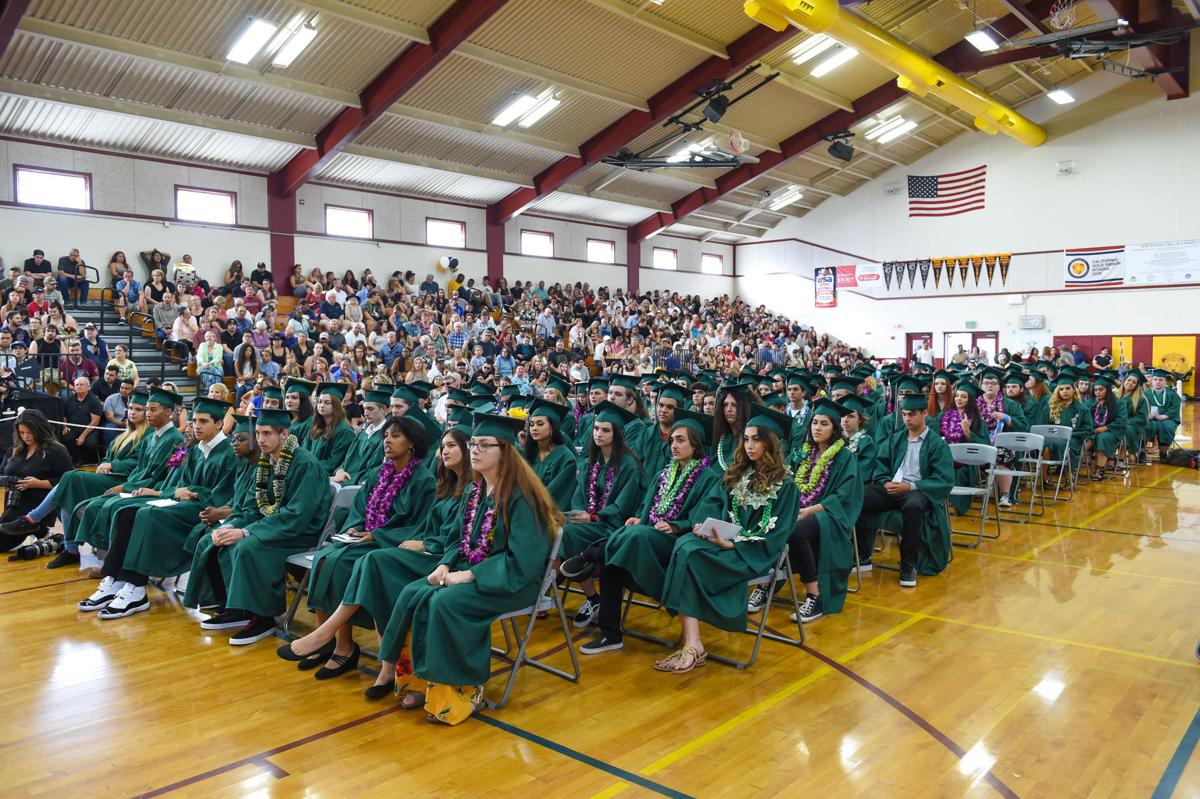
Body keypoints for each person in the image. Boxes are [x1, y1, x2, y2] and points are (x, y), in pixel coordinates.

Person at [373, 413, 560, 723]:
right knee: (412, 593)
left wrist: (470, 574)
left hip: (512, 582)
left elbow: (522, 560)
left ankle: (461, 693)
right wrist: (446, 564)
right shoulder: (475, 491)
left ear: (506, 452)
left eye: (485, 445)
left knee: (445, 603)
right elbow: (456, 539)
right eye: (473, 444)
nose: (475, 450)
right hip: (471, 570)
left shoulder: (522, 498)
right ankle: (420, 681)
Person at [284, 416, 434, 679]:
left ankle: (344, 647)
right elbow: (360, 509)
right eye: (386, 434)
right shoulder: (378, 473)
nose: (387, 440)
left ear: (412, 443)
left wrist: (375, 535)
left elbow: (419, 526)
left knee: (340, 564)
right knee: (323, 559)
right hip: (363, 540)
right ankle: (329, 642)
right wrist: (354, 528)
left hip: (389, 545)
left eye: (396, 436)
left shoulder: (424, 481)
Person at [654, 406, 799, 673]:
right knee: (684, 544)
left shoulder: (787, 487)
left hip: (751, 554)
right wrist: (705, 526)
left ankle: (692, 645)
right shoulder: (736, 475)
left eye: (756, 439)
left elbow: (776, 535)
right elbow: (712, 504)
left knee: (690, 554)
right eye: (746, 439)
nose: (749, 445)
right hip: (723, 543)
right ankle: (693, 643)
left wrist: (733, 543)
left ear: (772, 443)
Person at [181, 408, 332, 645]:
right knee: (219, 540)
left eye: (267, 433)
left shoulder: (305, 464)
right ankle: (238, 609)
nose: (261, 439)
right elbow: (253, 506)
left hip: (301, 533)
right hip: (273, 527)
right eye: (259, 433)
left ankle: (263, 619)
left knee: (248, 547)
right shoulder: (265, 463)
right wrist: (231, 525)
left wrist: (246, 531)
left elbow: (297, 515)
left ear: (284, 434)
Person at [576, 409, 721, 654]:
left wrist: (676, 525)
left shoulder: (708, 478)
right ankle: (610, 634)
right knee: (614, 564)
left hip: (677, 544)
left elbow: (704, 520)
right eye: (672, 440)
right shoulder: (664, 473)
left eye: (681, 440)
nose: (673, 445)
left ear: (695, 445)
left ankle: (591, 555)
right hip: (649, 537)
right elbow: (648, 508)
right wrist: (639, 518)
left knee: (635, 535)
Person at [77, 399, 237, 618]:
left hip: (202, 511)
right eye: (194, 421)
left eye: (203, 421)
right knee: (126, 511)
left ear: (219, 424)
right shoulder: (197, 449)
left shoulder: (228, 453)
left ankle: (136, 588)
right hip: (180, 503)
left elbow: (221, 495)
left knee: (146, 514)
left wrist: (187, 491)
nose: (196, 426)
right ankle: (115, 579)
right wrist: (178, 491)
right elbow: (177, 487)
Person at [21, 391, 152, 568]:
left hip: (122, 482)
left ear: (147, 413)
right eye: (130, 408)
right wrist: (104, 464)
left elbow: (139, 464)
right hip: (107, 477)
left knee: (70, 478)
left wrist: (113, 466)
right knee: (69, 493)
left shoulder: (148, 437)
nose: (133, 412)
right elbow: (108, 457)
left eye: (138, 409)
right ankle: (70, 550)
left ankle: (32, 519)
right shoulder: (124, 435)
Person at [772, 399, 862, 623]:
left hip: (828, 515)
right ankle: (767, 585)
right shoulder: (803, 452)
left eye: (824, 424)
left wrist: (812, 509)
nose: (817, 428)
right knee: (771, 522)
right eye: (814, 423)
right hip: (800, 509)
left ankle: (815, 596)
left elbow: (845, 494)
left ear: (834, 429)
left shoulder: (844, 456)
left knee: (797, 531)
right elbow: (788, 482)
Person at [559, 401, 646, 628]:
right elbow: (579, 495)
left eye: (605, 430)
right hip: (587, 521)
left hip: (611, 525)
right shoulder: (590, 462)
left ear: (617, 433)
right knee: (558, 529)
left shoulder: (628, 464)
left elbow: (623, 505)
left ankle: (564, 587)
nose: (598, 433)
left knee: (565, 534)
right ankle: (591, 596)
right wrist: (580, 513)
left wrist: (595, 516)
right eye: (596, 428)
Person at [855, 393, 954, 587]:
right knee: (861, 497)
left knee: (913, 507)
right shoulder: (895, 439)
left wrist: (911, 486)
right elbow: (881, 466)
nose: (907, 419)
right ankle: (862, 555)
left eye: (912, 414)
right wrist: (885, 482)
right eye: (904, 414)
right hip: (893, 487)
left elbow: (944, 479)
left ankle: (909, 563)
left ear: (925, 413)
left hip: (919, 490)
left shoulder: (937, 444)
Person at [0, 410, 74, 554]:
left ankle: (39, 528)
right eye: (22, 433)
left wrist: (39, 483)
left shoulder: (56, 450)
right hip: (14, 504)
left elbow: (69, 480)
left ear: (39, 429)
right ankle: (41, 532)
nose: (26, 437)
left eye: (29, 432)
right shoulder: (15, 449)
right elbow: (3, 471)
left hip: (39, 505)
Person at [522, 398, 578, 511]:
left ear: (552, 427)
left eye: (540, 424)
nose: (534, 428)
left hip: (549, 515)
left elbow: (555, 495)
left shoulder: (566, 459)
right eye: (532, 425)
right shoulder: (530, 454)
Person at [332, 388, 390, 485]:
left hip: (358, 486)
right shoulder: (362, 434)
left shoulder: (386, 437)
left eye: (370, 409)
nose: (365, 413)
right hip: (344, 480)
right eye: (364, 408)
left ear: (383, 409)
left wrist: (347, 480)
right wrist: (339, 470)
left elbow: (373, 472)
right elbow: (347, 460)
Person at [300, 382, 357, 475]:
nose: (321, 406)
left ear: (336, 405)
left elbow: (333, 462)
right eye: (320, 402)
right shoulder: (315, 425)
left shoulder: (344, 431)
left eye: (327, 403)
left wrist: (310, 468)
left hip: (325, 474)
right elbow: (305, 450)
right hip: (308, 470)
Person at [1084, 376, 1126, 479]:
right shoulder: (1090, 403)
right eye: (1096, 390)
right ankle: (1072, 466)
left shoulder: (1118, 403)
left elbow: (1122, 420)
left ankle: (1100, 468)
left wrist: (1106, 428)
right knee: (1084, 438)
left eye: (1101, 389)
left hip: (1111, 431)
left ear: (1108, 390)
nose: (1098, 392)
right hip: (1093, 430)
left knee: (1102, 438)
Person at [61, 376, 103, 465]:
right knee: (66, 438)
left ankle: (86, 460)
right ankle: (74, 459)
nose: (79, 386)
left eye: (81, 384)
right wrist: (64, 426)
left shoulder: (94, 401)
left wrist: (83, 436)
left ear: (88, 387)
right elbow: (64, 415)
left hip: (89, 429)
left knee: (91, 444)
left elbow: (95, 421)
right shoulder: (69, 399)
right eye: (77, 385)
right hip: (72, 427)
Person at [1144, 368, 1180, 458]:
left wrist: (1165, 415)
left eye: (1161, 380)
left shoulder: (1172, 394)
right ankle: (1142, 452)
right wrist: (1146, 414)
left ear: (1165, 382)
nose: (1157, 382)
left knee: (1168, 427)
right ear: (1152, 381)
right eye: (1155, 379)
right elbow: (1141, 406)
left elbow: (1175, 406)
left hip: (1167, 419)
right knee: (1144, 426)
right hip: (1150, 419)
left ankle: (1163, 453)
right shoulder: (1145, 393)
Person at [1118, 371, 1149, 464]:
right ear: (1124, 381)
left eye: (1134, 382)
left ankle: (1123, 456)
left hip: (1133, 426)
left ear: (1136, 386)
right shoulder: (1116, 396)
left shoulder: (1141, 399)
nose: (1130, 383)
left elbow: (1142, 418)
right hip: (1116, 423)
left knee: (1125, 429)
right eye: (1129, 380)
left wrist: (1125, 421)